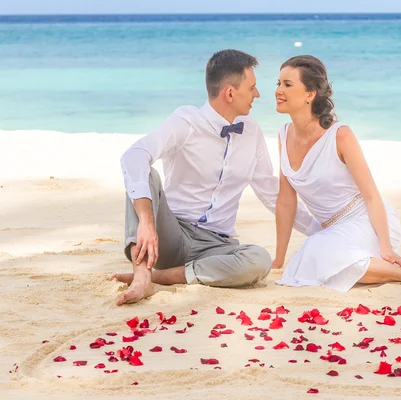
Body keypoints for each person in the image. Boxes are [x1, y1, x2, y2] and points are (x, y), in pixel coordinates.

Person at [113, 49, 322, 305]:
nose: (257, 94)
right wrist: (147, 221)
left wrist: (319, 230)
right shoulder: (186, 121)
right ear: (230, 93)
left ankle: (163, 277)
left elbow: (271, 193)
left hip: (217, 247)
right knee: (145, 173)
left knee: (259, 260)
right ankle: (143, 276)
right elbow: (133, 156)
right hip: (172, 235)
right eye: (252, 87)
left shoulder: (252, 131)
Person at [272, 55, 401, 295]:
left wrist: (386, 245)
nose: (278, 90)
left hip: (367, 222)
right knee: (309, 258)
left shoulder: (340, 136)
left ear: (310, 94)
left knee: (317, 250)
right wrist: (278, 258)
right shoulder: (283, 135)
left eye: (287, 84)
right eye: (278, 83)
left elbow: (371, 196)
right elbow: (286, 201)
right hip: (330, 230)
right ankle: (380, 268)